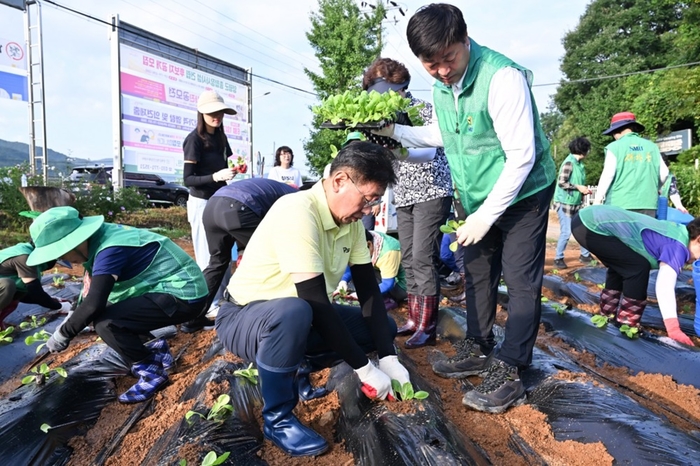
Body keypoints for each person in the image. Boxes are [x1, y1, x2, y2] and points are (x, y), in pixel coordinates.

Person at [372, 4, 556, 413]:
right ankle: (478, 343)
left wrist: (486, 216)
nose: (441, 71)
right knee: (475, 272)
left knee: (520, 280)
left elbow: (521, 156)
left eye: (448, 59)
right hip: (475, 197)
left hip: (524, 192)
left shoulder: (501, 78)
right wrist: (396, 131)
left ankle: (510, 368)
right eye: (430, 64)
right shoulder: (442, 86)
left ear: (464, 40)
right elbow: (445, 133)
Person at [215, 142, 411, 457]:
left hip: (297, 317)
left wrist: (388, 357)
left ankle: (296, 366)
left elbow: (368, 291)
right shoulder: (298, 211)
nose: (368, 210)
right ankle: (277, 418)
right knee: (295, 311)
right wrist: (364, 369)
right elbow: (315, 302)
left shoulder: (349, 224)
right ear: (339, 181)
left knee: (383, 327)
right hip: (245, 317)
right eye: (368, 199)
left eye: (375, 202)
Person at [27, 206, 208, 403]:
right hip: (163, 291)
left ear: (76, 242)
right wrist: (75, 315)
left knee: (107, 324)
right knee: (113, 313)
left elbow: (94, 304)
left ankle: (152, 372)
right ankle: (156, 350)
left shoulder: (110, 248)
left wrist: (64, 333)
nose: (64, 260)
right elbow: (89, 292)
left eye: (62, 254)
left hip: (184, 295)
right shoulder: (99, 238)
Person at [362, 58, 453, 349]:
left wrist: (394, 147)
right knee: (410, 256)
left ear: (401, 88)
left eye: (392, 91)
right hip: (404, 193)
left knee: (424, 258)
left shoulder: (421, 109)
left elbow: (428, 153)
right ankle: (415, 319)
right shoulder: (382, 116)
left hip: (432, 190)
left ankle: (427, 326)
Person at [181, 178, 297, 333]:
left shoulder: (273, 189)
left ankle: (192, 319)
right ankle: (249, 316)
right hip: (237, 207)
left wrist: (243, 249)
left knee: (217, 263)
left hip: (212, 207)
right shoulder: (298, 199)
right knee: (270, 260)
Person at [572, 205, 697, 346]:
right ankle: (627, 325)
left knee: (624, 264)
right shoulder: (678, 247)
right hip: (592, 225)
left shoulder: (678, 232)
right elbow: (664, 287)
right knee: (638, 268)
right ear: (698, 239)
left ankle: (608, 316)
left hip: (585, 219)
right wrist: (673, 329)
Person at [183, 90, 238, 270]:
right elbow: (188, 179)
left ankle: (223, 296)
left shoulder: (221, 137)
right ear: (202, 114)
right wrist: (215, 177)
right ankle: (209, 298)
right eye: (212, 112)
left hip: (219, 201)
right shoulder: (194, 140)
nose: (217, 116)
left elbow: (224, 166)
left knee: (225, 251)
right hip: (201, 202)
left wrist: (233, 171)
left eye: (220, 112)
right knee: (207, 256)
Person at [594, 112, 668, 217]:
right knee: (643, 233)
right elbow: (664, 173)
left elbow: (608, 175)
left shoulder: (614, 147)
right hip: (648, 204)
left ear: (617, 131)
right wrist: (654, 188)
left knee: (620, 233)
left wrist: (597, 201)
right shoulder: (652, 147)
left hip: (619, 203)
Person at [0, 242, 71, 329]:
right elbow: (35, 292)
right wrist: (60, 307)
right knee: (6, 285)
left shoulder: (28, 254)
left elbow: (24, 294)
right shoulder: (24, 258)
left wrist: (52, 300)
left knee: (17, 292)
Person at [335, 229, 407, 307]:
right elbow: (351, 264)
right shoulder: (366, 238)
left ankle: (389, 299)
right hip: (380, 273)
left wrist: (364, 294)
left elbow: (388, 283)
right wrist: (343, 281)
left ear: (369, 244)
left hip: (400, 285)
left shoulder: (389, 252)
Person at [552, 137, 594, 269]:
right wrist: (578, 187)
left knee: (582, 229)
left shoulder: (579, 165)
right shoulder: (569, 163)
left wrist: (583, 190)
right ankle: (558, 258)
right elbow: (562, 182)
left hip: (574, 202)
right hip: (564, 203)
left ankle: (585, 255)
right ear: (583, 150)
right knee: (566, 232)